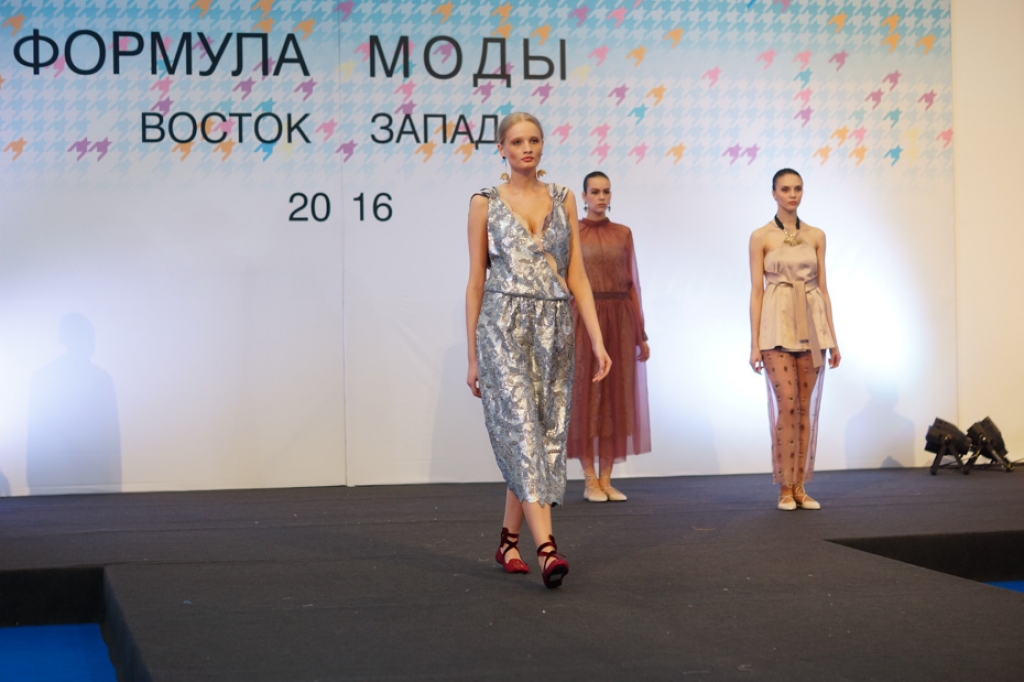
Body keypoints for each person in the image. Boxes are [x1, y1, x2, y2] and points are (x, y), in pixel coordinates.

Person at [466, 112, 612, 588]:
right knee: (523, 429)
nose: (526, 148)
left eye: (533, 140)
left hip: (554, 328)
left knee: (542, 434)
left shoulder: (564, 197)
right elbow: (475, 281)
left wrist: (597, 338)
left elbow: (576, 276)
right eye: (516, 141)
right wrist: (473, 356)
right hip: (501, 327)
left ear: (543, 145)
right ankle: (547, 550)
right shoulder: (484, 203)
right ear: (501, 148)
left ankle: (508, 541)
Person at [749, 168, 841, 510]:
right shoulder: (761, 237)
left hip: (812, 327)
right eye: (785, 189)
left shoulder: (816, 235)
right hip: (775, 326)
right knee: (787, 405)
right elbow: (756, 292)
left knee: (804, 408)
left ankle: (800, 486)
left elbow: (824, 289)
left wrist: (833, 338)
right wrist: (754, 343)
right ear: (773, 193)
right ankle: (784, 487)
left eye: (797, 189)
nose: (792, 195)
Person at [568, 171, 651, 502]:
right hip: (583, 320)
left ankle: (606, 479)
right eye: (595, 192)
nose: (601, 197)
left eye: (606, 192)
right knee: (586, 398)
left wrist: (641, 333)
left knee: (616, 398)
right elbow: (563, 277)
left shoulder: (623, 233)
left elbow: (632, 284)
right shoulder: (572, 232)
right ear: (584, 196)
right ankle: (589, 480)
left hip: (620, 321)